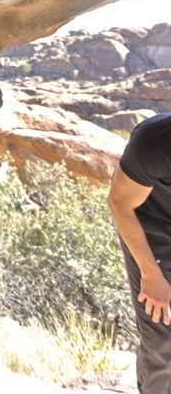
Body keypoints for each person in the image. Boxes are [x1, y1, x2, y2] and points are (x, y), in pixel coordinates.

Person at [108, 114, 171, 393]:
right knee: (165, 340)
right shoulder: (155, 142)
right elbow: (119, 203)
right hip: (155, 227)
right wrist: (150, 274)